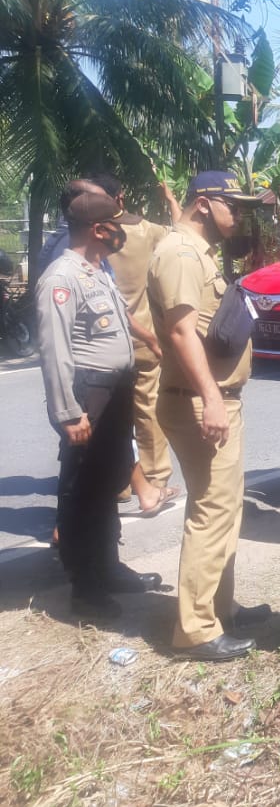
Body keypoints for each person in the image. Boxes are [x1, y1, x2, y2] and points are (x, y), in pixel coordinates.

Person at [148, 170, 267, 661]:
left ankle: (221, 607)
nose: (237, 214)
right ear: (203, 203)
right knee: (212, 509)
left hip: (212, 397)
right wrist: (212, 399)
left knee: (224, 505)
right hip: (201, 400)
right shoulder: (178, 253)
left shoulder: (196, 252)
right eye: (231, 205)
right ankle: (196, 629)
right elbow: (179, 333)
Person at [36, 193, 162, 618]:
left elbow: (119, 318)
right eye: (115, 223)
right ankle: (84, 587)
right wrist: (68, 413)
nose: (121, 229)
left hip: (116, 390)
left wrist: (146, 337)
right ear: (98, 230)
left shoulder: (97, 269)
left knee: (108, 481)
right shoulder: (62, 277)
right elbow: (54, 350)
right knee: (82, 491)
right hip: (89, 394)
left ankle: (108, 567)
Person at [104, 174, 182, 509]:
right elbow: (182, 231)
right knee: (147, 409)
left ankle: (119, 483)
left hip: (105, 342)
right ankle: (154, 478)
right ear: (120, 198)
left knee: (109, 413)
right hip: (144, 339)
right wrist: (171, 199)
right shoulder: (143, 230)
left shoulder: (88, 237)